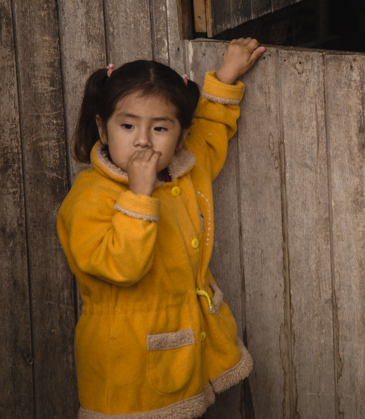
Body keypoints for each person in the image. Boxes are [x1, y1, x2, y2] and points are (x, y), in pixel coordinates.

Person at [57, 39, 265, 418]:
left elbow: (208, 133)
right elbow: (120, 266)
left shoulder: (183, 171)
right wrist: (139, 193)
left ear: (180, 136)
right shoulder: (90, 196)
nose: (143, 139)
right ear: (103, 129)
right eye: (127, 125)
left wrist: (226, 78)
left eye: (160, 128)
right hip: (126, 366)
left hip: (179, 352)